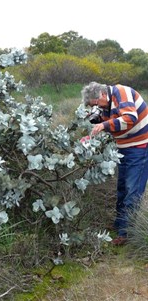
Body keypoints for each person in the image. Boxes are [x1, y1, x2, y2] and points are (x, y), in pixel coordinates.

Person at [81, 82, 148, 246]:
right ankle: (120, 225)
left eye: (95, 104)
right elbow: (106, 123)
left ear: (102, 95)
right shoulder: (105, 104)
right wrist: (91, 134)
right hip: (123, 148)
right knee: (122, 188)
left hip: (140, 147)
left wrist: (103, 125)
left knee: (132, 190)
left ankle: (126, 234)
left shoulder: (122, 93)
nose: (96, 108)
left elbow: (129, 118)